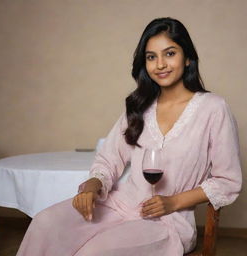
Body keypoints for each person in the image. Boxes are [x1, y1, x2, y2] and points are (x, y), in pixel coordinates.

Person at [16, 17, 242, 256]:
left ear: (187, 58)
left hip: (167, 221)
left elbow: (226, 181)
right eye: (151, 57)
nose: (160, 64)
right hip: (118, 205)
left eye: (170, 53)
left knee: (94, 252)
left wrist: (173, 202)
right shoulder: (139, 106)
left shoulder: (213, 108)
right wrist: (92, 185)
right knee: (44, 223)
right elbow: (109, 159)